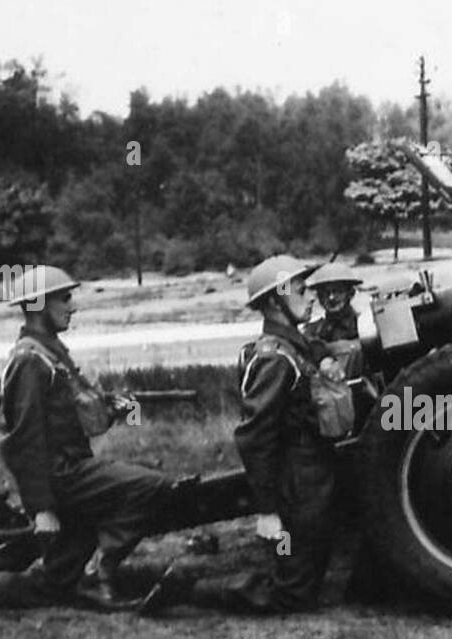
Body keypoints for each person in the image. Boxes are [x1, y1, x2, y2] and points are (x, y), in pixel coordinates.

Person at [140, 254, 342, 616]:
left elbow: (316, 351)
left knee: (308, 574)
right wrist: (267, 511)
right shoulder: (274, 360)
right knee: (293, 594)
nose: (311, 296)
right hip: (295, 485)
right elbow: (255, 438)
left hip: (311, 478)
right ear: (275, 301)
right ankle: (187, 588)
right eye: (300, 289)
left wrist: (326, 358)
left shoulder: (294, 347)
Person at [0, 265, 174, 609]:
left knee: (57, 580)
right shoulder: (31, 360)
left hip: (73, 468)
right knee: (152, 485)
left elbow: (70, 416)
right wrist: (41, 509)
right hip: (64, 476)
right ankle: (98, 573)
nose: (72, 307)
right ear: (38, 306)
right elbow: (24, 440)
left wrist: (110, 409)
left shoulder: (52, 353)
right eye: (64, 298)